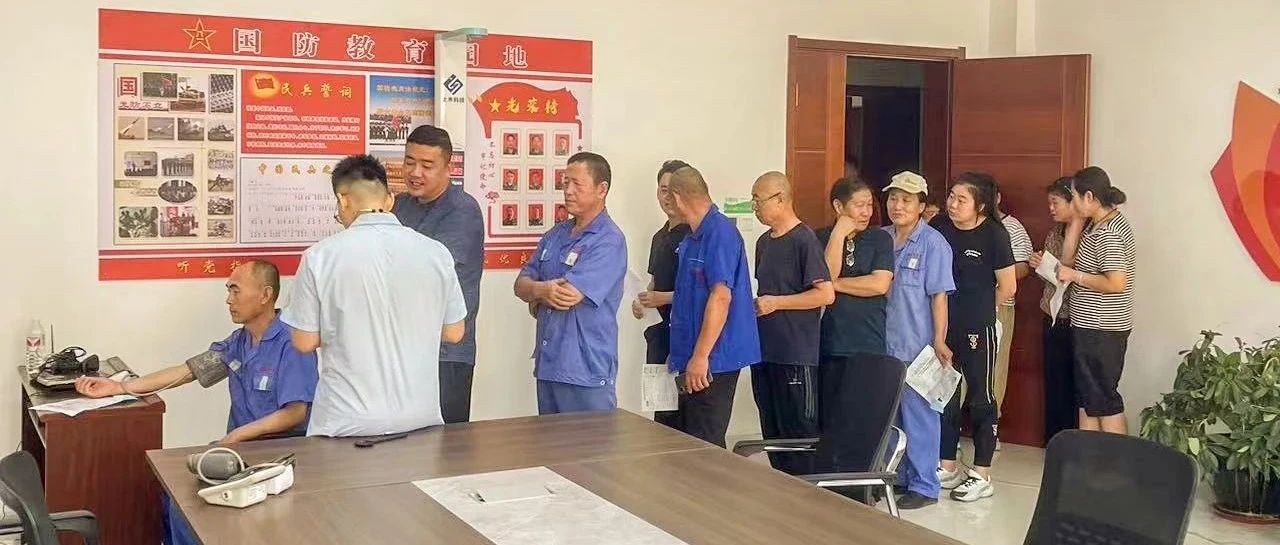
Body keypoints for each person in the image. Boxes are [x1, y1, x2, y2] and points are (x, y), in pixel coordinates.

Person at [76, 261, 318, 545]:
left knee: (186, 502)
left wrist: (236, 436)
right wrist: (120, 387)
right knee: (169, 491)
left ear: (265, 295)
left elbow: (295, 413)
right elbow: (186, 372)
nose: (228, 300)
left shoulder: (292, 341)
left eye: (236, 291)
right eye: (228, 290)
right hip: (240, 450)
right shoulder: (238, 342)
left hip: (277, 455)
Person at [284, 154, 466, 436]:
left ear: (343, 200)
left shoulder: (320, 257)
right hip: (420, 420)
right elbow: (454, 332)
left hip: (346, 423)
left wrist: (347, 327)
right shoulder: (435, 252)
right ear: (389, 200)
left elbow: (304, 341)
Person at [514, 152, 626, 414]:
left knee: (590, 442)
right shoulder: (555, 235)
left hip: (585, 370)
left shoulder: (609, 240)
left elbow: (566, 295)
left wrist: (537, 295)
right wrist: (541, 291)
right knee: (549, 441)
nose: (568, 191)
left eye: (577, 184)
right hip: (549, 364)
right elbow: (520, 284)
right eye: (565, 183)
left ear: (602, 189)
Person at [932, 172, 1017, 502]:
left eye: (961, 199)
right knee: (946, 397)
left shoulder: (994, 235)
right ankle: (948, 466)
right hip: (944, 326)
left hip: (978, 328)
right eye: (951, 197)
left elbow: (1008, 287)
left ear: (980, 205)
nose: (952, 204)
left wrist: (980, 310)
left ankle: (982, 473)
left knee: (982, 397)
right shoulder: (941, 226)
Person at [392, 125, 485, 424]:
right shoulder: (401, 205)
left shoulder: (462, 210)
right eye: (409, 162)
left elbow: (428, 270)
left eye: (427, 165)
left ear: (448, 167)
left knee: (446, 444)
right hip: (402, 347)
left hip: (446, 352)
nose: (415, 172)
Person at [664, 165, 761, 447]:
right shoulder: (691, 238)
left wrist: (700, 356)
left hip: (714, 360)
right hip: (692, 355)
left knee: (705, 444)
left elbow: (721, 297)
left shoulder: (720, 234)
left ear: (678, 198)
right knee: (687, 440)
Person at [748, 171, 834, 473]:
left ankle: (805, 491)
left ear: (781, 199)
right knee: (772, 432)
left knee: (798, 433)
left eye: (758, 200)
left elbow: (825, 294)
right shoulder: (763, 243)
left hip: (795, 353)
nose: (754, 207)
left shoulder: (804, 240)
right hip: (765, 352)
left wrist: (777, 302)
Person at [880, 171, 955, 510]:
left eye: (907, 200)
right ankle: (898, 478)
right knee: (890, 416)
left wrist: (939, 340)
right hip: (884, 346)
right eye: (893, 198)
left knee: (920, 418)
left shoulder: (933, 244)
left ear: (922, 206)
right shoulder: (881, 239)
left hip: (918, 348)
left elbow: (939, 297)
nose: (898, 206)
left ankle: (925, 486)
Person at [1054, 166, 1135, 435]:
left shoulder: (1108, 233)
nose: (1072, 203)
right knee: (1088, 400)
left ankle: (1116, 457)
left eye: (1074, 197)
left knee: (1103, 400)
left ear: (1089, 196)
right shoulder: (1096, 224)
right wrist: (1078, 219)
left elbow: (1116, 283)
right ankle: (1090, 456)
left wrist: (1075, 276)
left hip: (1101, 328)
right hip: (1089, 326)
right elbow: (1067, 259)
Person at [1028, 177, 1085, 443]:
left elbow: (1077, 272)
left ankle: (1074, 441)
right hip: (1051, 315)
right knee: (1054, 382)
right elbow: (1053, 274)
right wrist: (1039, 264)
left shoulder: (1088, 235)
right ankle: (1054, 440)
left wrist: (1059, 269)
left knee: (1076, 385)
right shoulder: (1054, 232)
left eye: (1055, 202)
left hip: (1076, 318)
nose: (1051, 208)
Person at [817, 176, 895, 359]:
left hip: (869, 339)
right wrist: (838, 234)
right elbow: (827, 274)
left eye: (869, 205)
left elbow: (879, 285)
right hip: (830, 340)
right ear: (838, 206)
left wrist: (833, 284)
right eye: (860, 205)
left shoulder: (880, 238)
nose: (866, 212)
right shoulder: (819, 238)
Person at [633, 160, 692, 382]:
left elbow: (706, 292)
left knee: (684, 402)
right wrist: (642, 302)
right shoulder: (659, 237)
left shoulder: (696, 236)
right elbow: (654, 283)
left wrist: (663, 298)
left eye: (675, 191)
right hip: (660, 336)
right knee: (657, 402)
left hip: (688, 337)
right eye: (663, 190)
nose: (668, 197)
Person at [994, 192, 1033, 422]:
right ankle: (953, 426)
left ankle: (990, 423)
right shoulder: (961, 225)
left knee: (995, 365)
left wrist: (995, 273)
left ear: (997, 197)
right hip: (964, 306)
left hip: (1001, 305)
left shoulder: (1012, 228)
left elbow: (1024, 267)